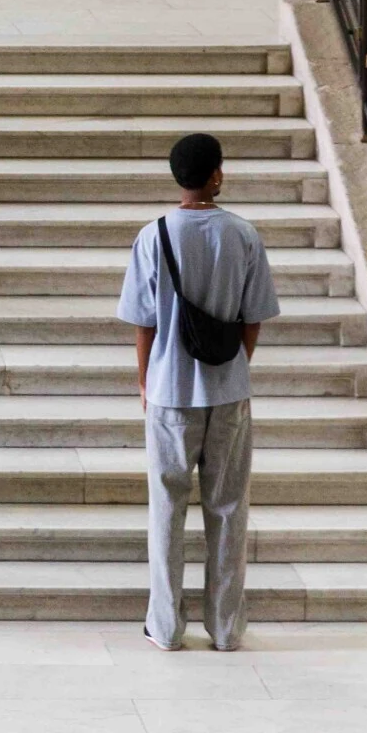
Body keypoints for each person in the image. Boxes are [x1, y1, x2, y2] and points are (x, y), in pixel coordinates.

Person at [117, 129, 281, 651]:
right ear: (215, 175)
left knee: (166, 508)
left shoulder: (152, 235)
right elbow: (253, 320)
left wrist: (146, 380)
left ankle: (165, 626)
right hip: (227, 391)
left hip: (169, 394)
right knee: (228, 506)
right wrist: (234, 365)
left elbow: (142, 322)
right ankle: (227, 628)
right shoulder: (243, 235)